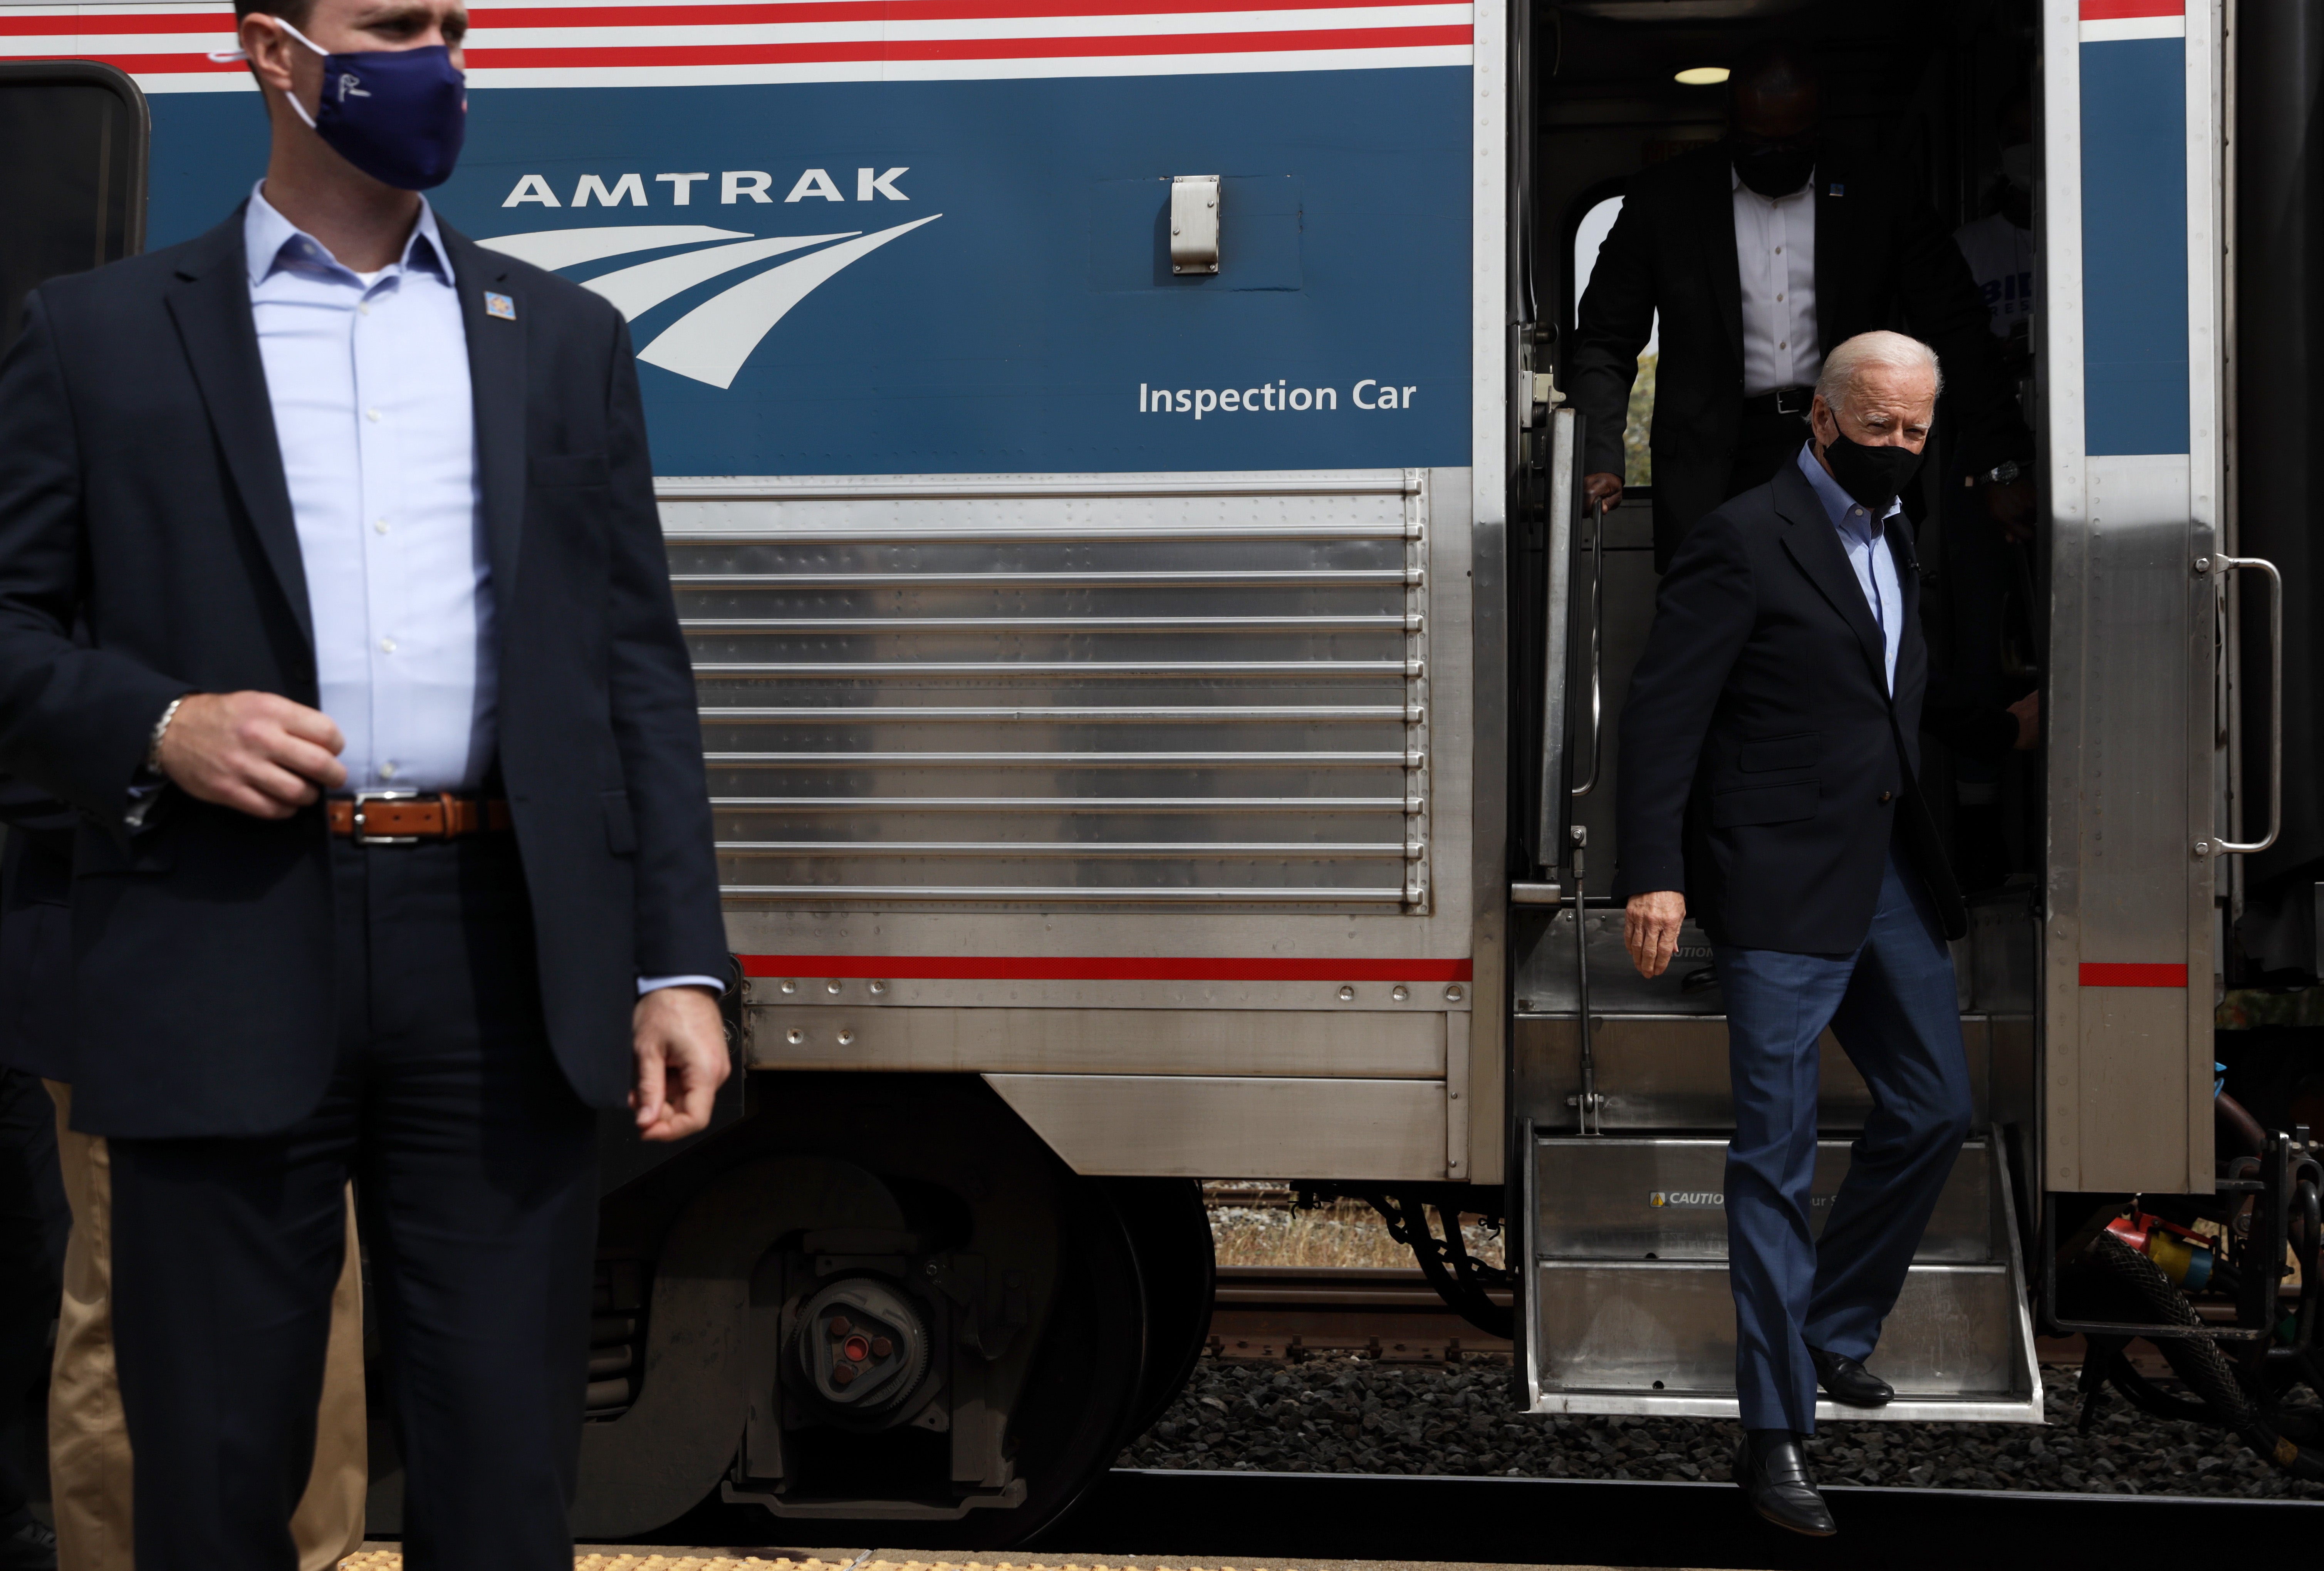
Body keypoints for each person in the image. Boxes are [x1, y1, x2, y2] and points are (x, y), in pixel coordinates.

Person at [0, 0, 733, 1564]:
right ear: (273, 55)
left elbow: (631, 675)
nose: (439, 64)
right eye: (396, 27)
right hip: (218, 934)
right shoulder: (99, 332)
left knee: (503, 1470)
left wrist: (679, 962)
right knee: (208, 1472)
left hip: (495, 950)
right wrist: (157, 724)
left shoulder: (563, 339)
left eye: (455, 28)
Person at [1615, 332, 1973, 1537]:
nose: (1900, 453)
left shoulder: (1899, 535)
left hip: (1882, 879)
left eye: (1918, 432)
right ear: (1821, 421)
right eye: (1880, 429)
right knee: (1771, 1165)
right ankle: (1773, 1439)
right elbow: (1664, 719)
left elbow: (1881, 699)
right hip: (1772, 889)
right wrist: (1655, 876)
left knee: (1933, 1111)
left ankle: (1830, 1332)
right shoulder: (1739, 540)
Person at [1569, 39, 2008, 571]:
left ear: (1819, 125)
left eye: (1794, 142)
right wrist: (1597, 458)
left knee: (1850, 627)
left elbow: (1954, 324)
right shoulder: (1663, 200)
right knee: (1718, 630)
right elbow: (1604, 339)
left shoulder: (1878, 191)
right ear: (1729, 124)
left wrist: (1999, 461)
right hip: (1711, 462)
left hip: (1846, 444)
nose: (1776, 156)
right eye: (1758, 142)